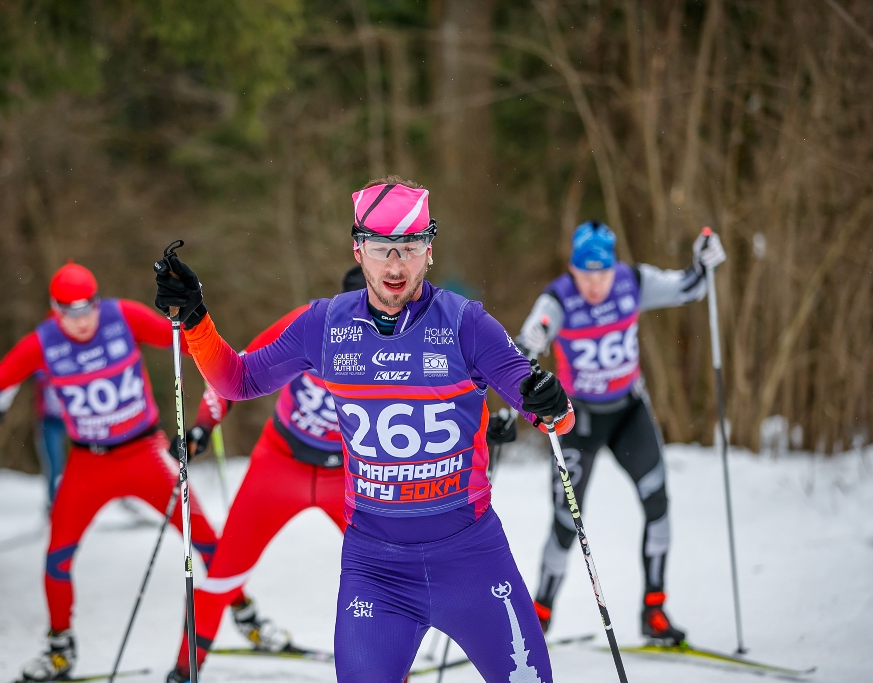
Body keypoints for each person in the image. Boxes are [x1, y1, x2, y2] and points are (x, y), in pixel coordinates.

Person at [154, 176, 574, 683]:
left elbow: (551, 414)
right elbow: (237, 380)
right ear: (359, 250)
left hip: (471, 561)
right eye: (381, 249)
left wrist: (550, 402)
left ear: (429, 250)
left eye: (409, 247)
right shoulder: (325, 324)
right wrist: (196, 318)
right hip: (376, 572)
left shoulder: (466, 323)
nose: (395, 265)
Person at [0, 262, 261, 682]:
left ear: (96, 301)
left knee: (206, 538)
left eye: (87, 308)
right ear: (55, 310)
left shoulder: (121, 316)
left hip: (145, 452)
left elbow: (186, 340)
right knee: (57, 557)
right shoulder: (43, 342)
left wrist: (215, 362)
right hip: (88, 463)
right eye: (70, 312)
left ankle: (244, 613)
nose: (81, 321)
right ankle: (59, 647)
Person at [514, 220, 726, 645]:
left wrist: (704, 263)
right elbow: (528, 340)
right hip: (578, 420)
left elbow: (690, 287)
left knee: (658, 503)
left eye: (602, 274)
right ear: (573, 270)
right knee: (565, 520)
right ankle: (539, 612)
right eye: (586, 275)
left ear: (614, 269)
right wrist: (530, 340)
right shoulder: (558, 298)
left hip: (628, 412)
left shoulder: (634, 281)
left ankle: (654, 608)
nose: (595, 285)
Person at [166, 266, 367, 681]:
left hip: (350, 477)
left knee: (388, 578)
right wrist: (202, 425)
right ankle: (185, 671)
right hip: (280, 465)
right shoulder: (309, 323)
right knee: (223, 574)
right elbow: (234, 369)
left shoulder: (403, 341)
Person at [0, 371, 68, 509]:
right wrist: (0, 406)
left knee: (96, 457)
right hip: (48, 422)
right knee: (54, 466)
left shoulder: (75, 357)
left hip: (77, 419)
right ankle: (55, 508)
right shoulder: (41, 363)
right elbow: (16, 374)